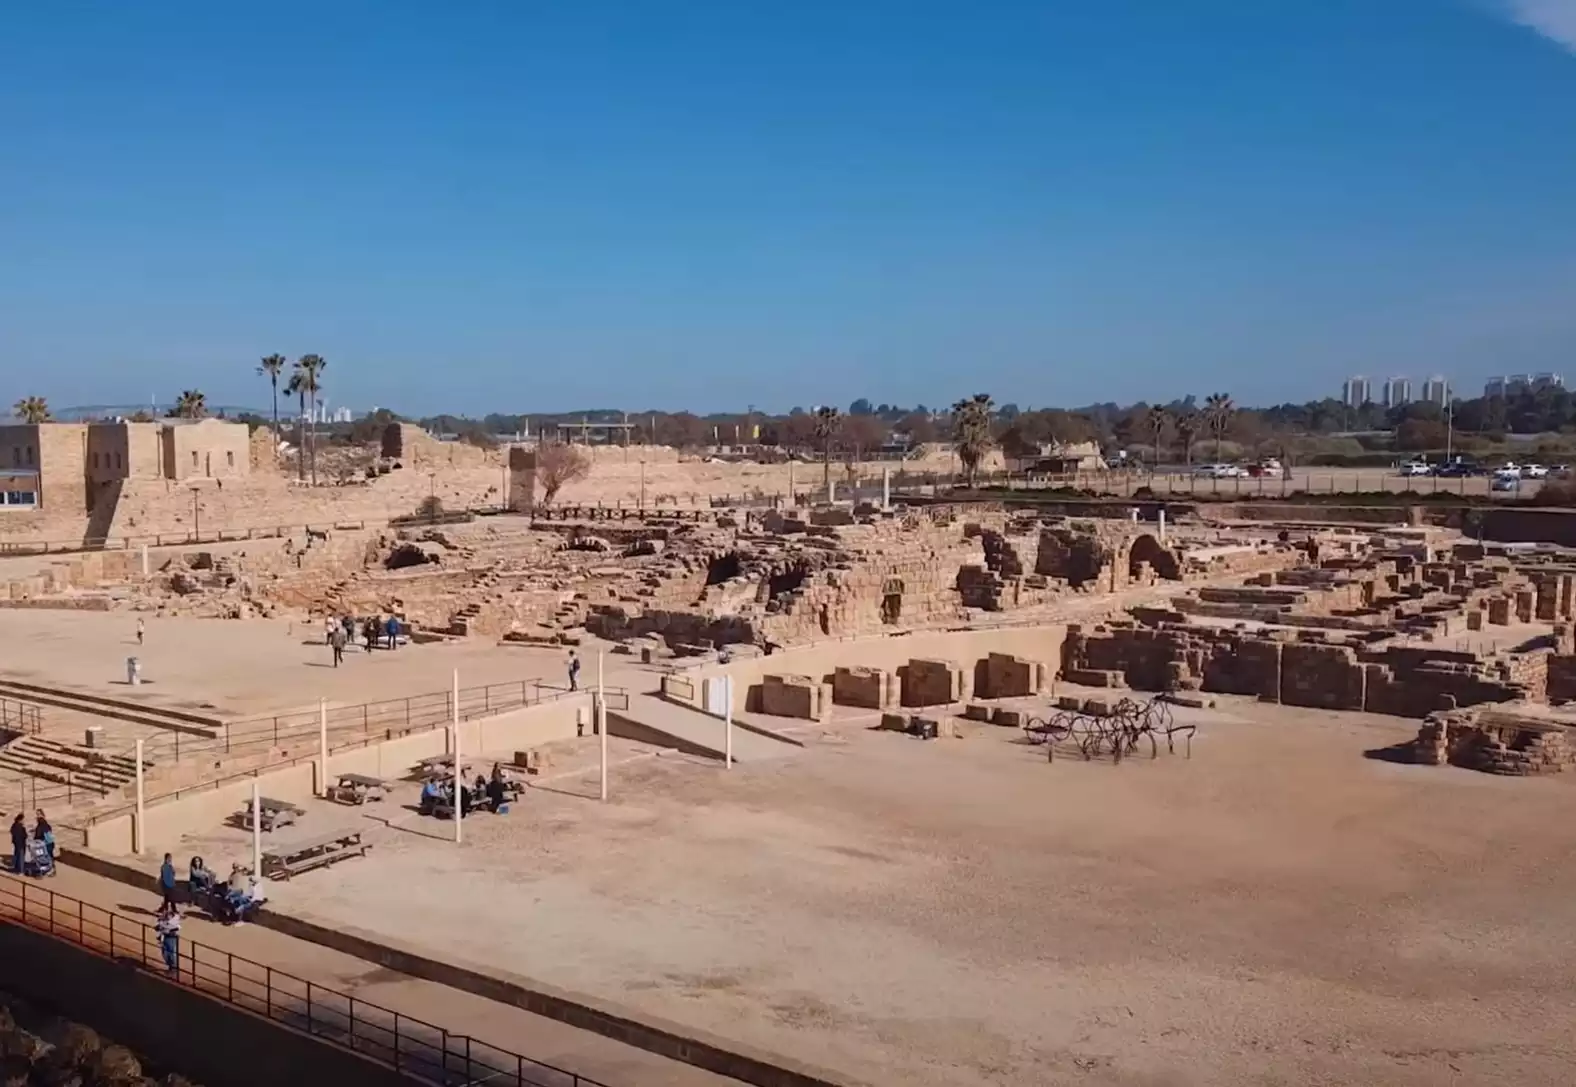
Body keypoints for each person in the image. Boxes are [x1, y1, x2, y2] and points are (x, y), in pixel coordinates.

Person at [155, 902, 181, 976]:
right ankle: (171, 967)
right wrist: (159, 928)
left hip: (171, 937)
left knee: (171, 953)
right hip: (165, 937)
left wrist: (168, 929)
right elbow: (157, 927)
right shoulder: (163, 918)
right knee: (165, 953)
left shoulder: (174, 918)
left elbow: (178, 928)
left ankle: (174, 968)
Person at [33, 811, 54, 876]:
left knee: (42, 857)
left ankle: (44, 870)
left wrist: (35, 839)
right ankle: (51, 869)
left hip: (43, 844)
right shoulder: (48, 825)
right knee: (49, 856)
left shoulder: (39, 827)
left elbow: (38, 836)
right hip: (50, 843)